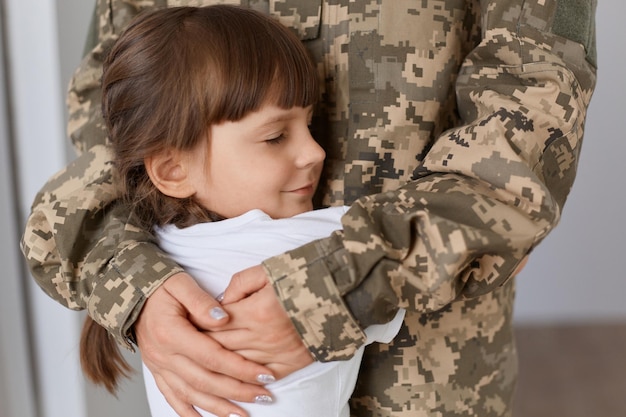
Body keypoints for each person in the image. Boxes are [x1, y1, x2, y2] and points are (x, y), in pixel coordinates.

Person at [21, 1, 598, 417]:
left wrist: (334, 287)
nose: (313, 153)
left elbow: (530, 124)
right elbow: (113, 126)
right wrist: (135, 287)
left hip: (434, 380)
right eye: (276, 137)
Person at [84, 6, 405, 416]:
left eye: (309, 124)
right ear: (172, 170)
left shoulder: (141, 258)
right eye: (275, 137)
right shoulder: (334, 236)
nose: (314, 151)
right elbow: (456, 250)